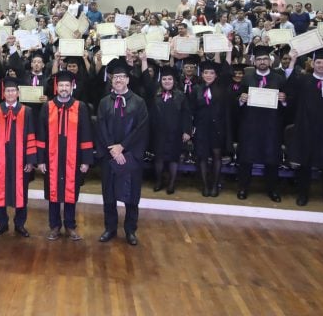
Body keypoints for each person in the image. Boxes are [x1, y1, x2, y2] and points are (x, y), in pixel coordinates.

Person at [36, 70, 94, 242]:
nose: (63, 88)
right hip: (51, 158)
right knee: (53, 193)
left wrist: (86, 160)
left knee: (70, 192)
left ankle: (70, 225)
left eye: (66, 85)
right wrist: (40, 160)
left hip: (73, 158)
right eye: (61, 85)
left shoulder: (80, 107)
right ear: (56, 87)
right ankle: (54, 226)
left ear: (71, 87)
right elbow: (41, 135)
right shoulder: (48, 107)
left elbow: (86, 134)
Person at [96, 59, 148, 246]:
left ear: (128, 79)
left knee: (131, 196)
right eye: (115, 77)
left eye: (121, 77)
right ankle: (110, 228)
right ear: (111, 80)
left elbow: (140, 130)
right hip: (110, 156)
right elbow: (101, 127)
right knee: (108, 194)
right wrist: (112, 148)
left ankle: (130, 230)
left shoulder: (139, 102)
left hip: (130, 156)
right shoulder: (104, 103)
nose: (118, 80)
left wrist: (123, 148)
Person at [285, 48, 323, 209]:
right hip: (306, 129)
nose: (321, 65)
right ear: (313, 64)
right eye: (318, 62)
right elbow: (289, 85)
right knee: (305, 164)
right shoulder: (303, 81)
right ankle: (303, 194)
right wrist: (292, 60)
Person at [0, 78, 37, 238]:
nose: (10, 93)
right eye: (7, 91)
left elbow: (31, 136)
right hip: (0, 159)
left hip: (20, 159)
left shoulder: (26, 111)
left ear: (18, 93)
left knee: (22, 191)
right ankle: (2, 223)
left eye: (13, 91)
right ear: (4, 93)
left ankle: (20, 223)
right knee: (0, 190)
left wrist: (30, 160)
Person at [235, 45, 287, 202]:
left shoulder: (279, 78)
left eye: (265, 59)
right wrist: (241, 99)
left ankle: (272, 190)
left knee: (272, 159)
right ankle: (243, 188)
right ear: (254, 62)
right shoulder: (247, 78)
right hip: (251, 125)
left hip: (272, 125)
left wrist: (284, 101)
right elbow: (237, 100)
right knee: (246, 158)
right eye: (259, 59)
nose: (262, 61)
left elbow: (288, 103)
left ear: (270, 61)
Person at [142, 61, 191, 195]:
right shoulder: (155, 93)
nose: (167, 81)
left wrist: (187, 130)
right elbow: (146, 79)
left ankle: (171, 183)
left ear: (174, 81)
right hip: (158, 133)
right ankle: (158, 181)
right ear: (160, 80)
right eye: (164, 79)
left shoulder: (180, 95)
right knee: (158, 159)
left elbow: (187, 114)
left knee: (173, 159)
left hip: (175, 133)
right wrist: (144, 60)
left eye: (169, 79)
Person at [190, 59, 230, 197]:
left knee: (216, 156)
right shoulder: (196, 89)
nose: (208, 75)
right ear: (202, 74)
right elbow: (192, 109)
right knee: (202, 157)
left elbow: (227, 71)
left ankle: (215, 186)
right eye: (206, 72)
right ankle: (205, 185)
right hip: (201, 128)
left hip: (217, 128)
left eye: (211, 73)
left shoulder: (222, 88)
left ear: (216, 75)